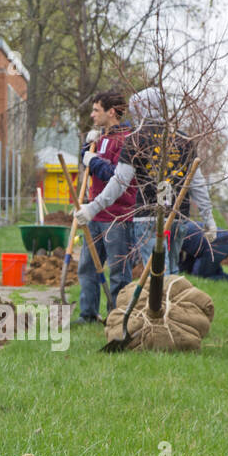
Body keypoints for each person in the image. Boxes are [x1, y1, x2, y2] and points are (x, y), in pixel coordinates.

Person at [76, 87, 217, 278]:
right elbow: (197, 183)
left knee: (159, 275)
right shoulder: (183, 139)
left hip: (149, 217)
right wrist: (208, 219)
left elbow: (119, 181)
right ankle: (171, 305)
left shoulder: (136, 140)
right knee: (172, 272)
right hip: (176, 216)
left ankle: (163, 307)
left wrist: (92, 208)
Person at [73, 90, 136, 323]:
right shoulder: (101, 137)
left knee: (119, 272)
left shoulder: (127, 140)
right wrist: (86, 148)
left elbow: (115, 176)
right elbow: (89, 161)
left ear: (111, 112)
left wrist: (94, 161)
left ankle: (118, 317)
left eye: (96, 110)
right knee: (87, 267)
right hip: (95, 214)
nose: (92, 115)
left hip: (117, 216)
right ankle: (88, 314)